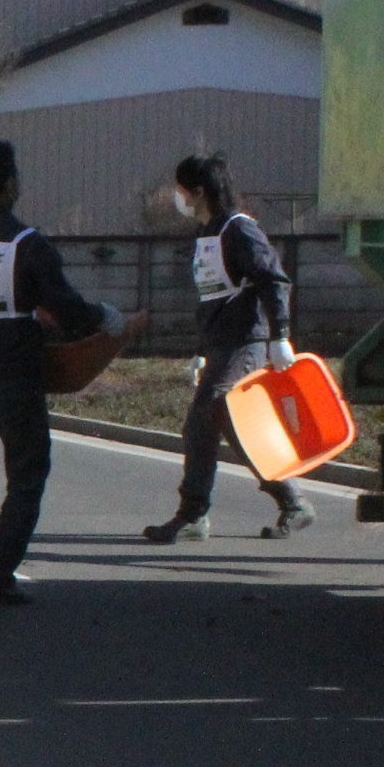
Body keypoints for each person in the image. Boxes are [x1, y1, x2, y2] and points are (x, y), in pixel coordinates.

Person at [0, 138, 132, 606]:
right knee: (27, 475)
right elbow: (67, 310)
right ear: (10, 185)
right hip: (16, 374)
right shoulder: (26, 244)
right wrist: (105, 318)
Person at [144, 153, 316, 544]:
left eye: (180, 190)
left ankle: (195, 515)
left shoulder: (240, 230)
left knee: (208, 416)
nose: (178, 198)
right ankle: (289, 502)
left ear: (198, 192)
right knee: (217, 426)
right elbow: (214, 298)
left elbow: (273, 280)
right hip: (221, 344)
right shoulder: (208, 235)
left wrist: (280, 336)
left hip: (245, 342)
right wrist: (201, 350)